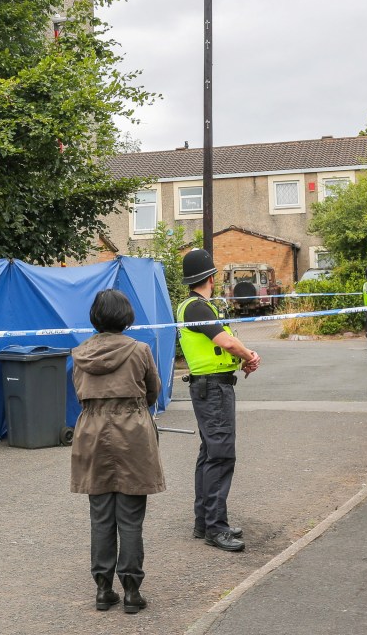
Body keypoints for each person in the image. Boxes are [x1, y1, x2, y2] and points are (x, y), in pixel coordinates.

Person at [70, 289, 166, 614]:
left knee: (100, 516)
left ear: (95, 317)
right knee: (130, 517)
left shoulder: (79, 354)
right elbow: (154, 390)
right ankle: (132, 591)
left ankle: (102, 589)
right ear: (126, 316)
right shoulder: (140, 350)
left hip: (91, 434)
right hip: (133, 434)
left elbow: (79, 394)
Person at [176, 249, 260, 553]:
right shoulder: (197, 308)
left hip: (212, 386)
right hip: (212, 390)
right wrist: (249, 355)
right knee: (221, 455)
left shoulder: (200, 307)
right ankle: (215, 527)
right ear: (210, 276)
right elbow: (225, 341)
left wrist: (244, 358)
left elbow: (225, 347)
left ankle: (205, 521)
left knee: (210, 453)